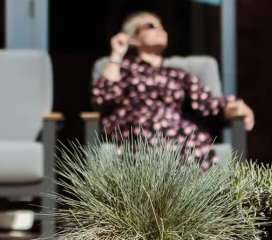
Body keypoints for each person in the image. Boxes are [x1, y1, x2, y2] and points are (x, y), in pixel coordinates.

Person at [91, 11, 254, 169]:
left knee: (195, 137)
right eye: (150, 26)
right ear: (133, 38)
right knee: (156, 129)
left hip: (181, 134)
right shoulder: (124, 69)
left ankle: (191, 194)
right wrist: (117, 54)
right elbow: (103, 96)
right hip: (138, 131)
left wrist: (235, 107)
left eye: (161, 26)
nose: (160, 29)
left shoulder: (177, 75)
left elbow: (208, 103)